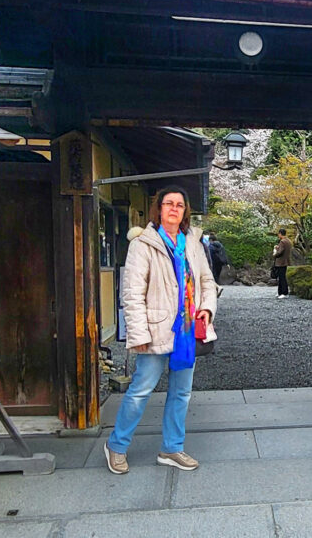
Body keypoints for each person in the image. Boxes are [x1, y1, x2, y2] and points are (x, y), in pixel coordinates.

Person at [105, 186, 217, 475]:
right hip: (156, 329)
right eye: (169, 203)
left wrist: (206, 307)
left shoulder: (192, 242)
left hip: (188, 329)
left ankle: (172, 447)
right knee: (141, 390)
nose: (174, 209)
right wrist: (138, 334)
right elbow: (131, 293)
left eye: (180, 205)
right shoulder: (143, 244)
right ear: (159, 208)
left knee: (181, 393)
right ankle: (116, 446)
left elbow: (206, 280)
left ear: (185, 211)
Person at [272, 228, 292, 298]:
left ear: (280, 233)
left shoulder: (282, 241)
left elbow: (280, 252)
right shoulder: (288, 241)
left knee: (282, 278)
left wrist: (274, 254)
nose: (278, 235)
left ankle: (284, 293)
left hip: (281, 262)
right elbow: (283, 249)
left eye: (278, 234)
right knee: (281, 277)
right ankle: (280, 292)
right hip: (286, 261)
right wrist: (278, 247)